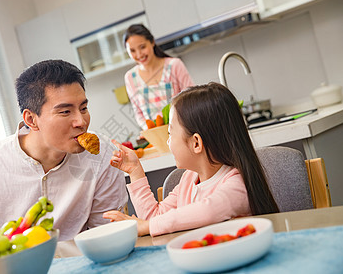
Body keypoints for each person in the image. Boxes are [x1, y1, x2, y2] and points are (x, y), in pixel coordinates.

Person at [0, 59, 128, 260]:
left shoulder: (104, 156)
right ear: (30, 119)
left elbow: (107, 232)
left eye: (83, 108)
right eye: (65, 111)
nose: (81, 121)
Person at [104, 82, 279, 237]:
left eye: (170, 133)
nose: (168, 140)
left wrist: (148, 226)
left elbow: (208, 211)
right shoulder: (188, 179)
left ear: (196, 143)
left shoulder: (236, 184)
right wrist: (135, 171)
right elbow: (154, 221)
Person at [123, 24, 194, 130]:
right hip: (155, 136)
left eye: (142, 47)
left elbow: (191, 100)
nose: (139, 54)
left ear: (152, 42)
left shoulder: (174, 65)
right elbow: (138, 113)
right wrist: (150, 131)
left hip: (183, 130)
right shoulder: (130, 77)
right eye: (132, 51)